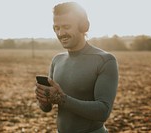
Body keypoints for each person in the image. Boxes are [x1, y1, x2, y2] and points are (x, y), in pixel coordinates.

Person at [35, 2, 118, 133]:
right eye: (56, 27)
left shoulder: (105, 60)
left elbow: (103, 111)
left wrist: (62, 99)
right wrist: (44, 100)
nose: (60, 33)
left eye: (66, 27)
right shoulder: (57, 60)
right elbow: (47, 108)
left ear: (83, 26)